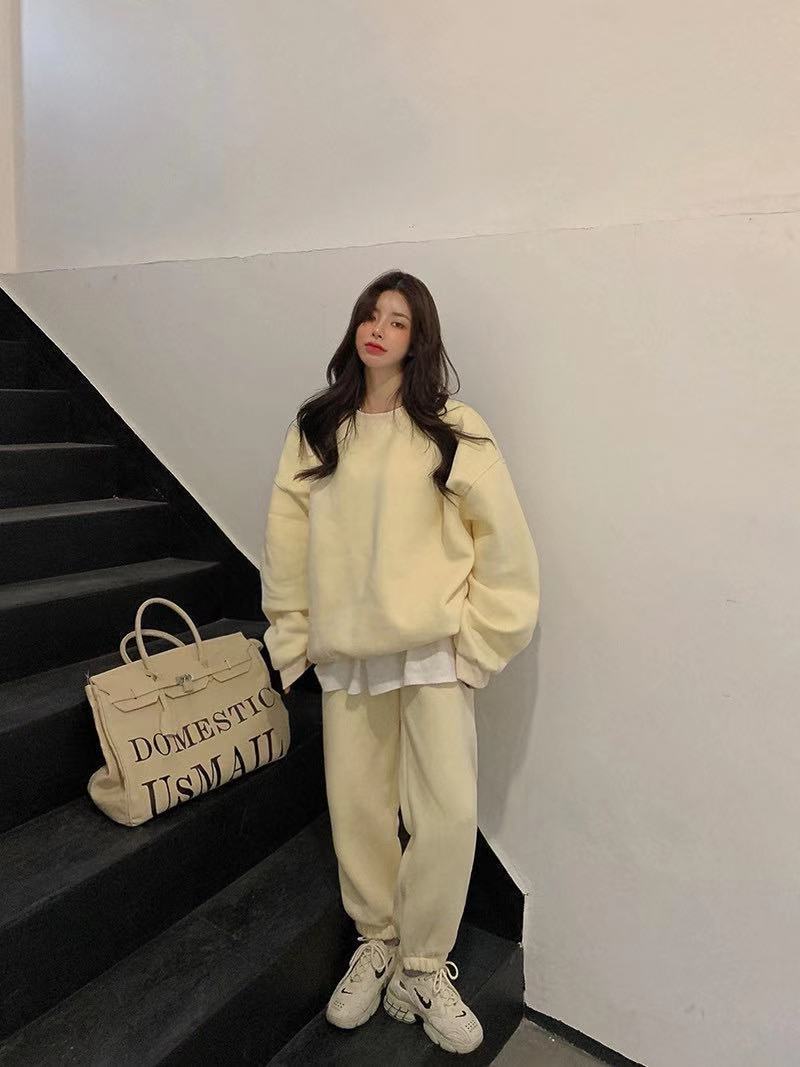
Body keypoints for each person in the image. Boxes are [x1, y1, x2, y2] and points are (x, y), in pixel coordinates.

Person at [259, 269, 540, 1055]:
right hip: (348, 653)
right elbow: (287, 539)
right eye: (370, 315)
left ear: (419, 340)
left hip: (432, 653)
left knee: (445, 811)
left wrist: (479, 642)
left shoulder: (452, 428)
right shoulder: (319, 427)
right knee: (357, 806)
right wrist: (293, 635)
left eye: (398, 320)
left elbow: (505, 545)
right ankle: (377, 942)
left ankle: (422, 965)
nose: (378, 329)